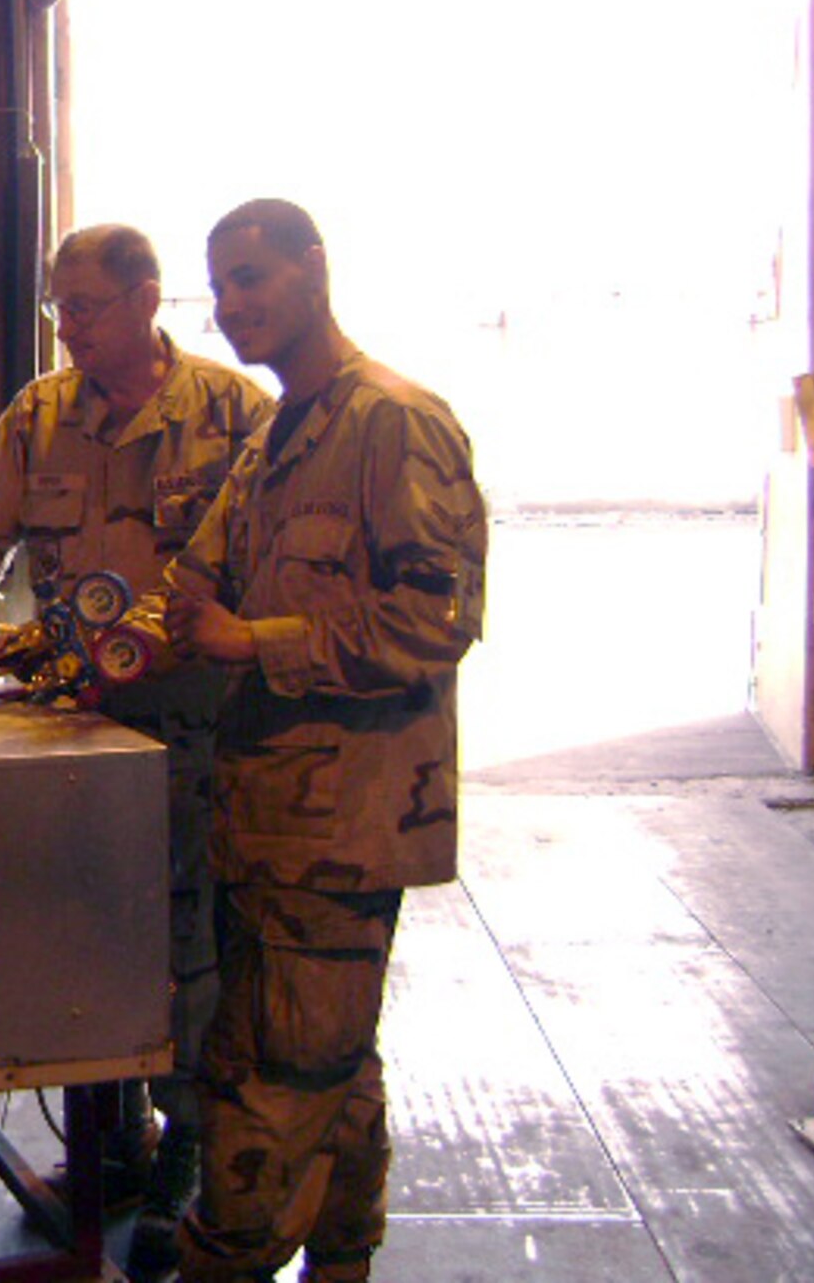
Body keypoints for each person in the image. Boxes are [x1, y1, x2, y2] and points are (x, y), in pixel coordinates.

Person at [0, 223, 272, 1261]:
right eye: (57, 310)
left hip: (198, 735)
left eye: (87, 308)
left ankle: (187, 1150)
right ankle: (107, 1135)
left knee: (186, 946)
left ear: (148, 300)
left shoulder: (230, 416)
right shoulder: (39, 417)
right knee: (83, 932)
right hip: (76, 730)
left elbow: (279, 562)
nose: (67, 328)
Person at [128, 198, 486, 1283]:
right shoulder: (279, 435)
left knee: (269, 1077)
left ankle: (220, 1258)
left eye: (253, 278)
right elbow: (194, 575)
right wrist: (130, 641)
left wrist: (254, 640)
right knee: (333, 1067)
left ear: (312, 270)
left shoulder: (392, 422)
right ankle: (341, 1260)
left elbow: (437, 617)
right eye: (219, 286)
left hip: (343, 828)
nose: (232, 307)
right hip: (267, 820)